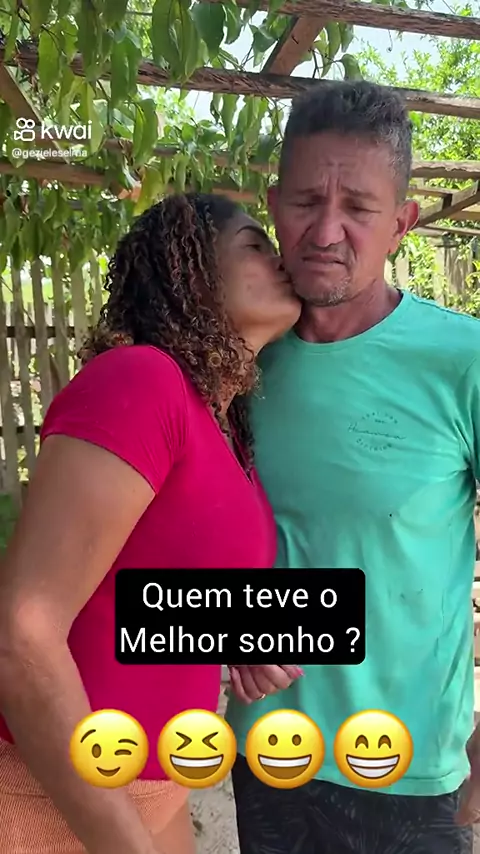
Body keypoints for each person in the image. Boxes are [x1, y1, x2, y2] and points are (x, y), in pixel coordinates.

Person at [0, 192, 302, 854]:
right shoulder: (142, 381)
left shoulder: (223, 424)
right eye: (255, 245)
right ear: (191, 270)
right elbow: (22, 635)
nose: (280, 257)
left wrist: (235, 632)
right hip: (51, 790)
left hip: (158, 785)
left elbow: (133, 585)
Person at [226, 80, 480, 854]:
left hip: (408, 774)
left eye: (359, 208)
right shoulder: (233, 362)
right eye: (307, 201)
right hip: (266, 759)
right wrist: (226, 628)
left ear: (402, 223)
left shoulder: (462, 360)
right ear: (274, 206)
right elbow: (177, 545)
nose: (326, 230)